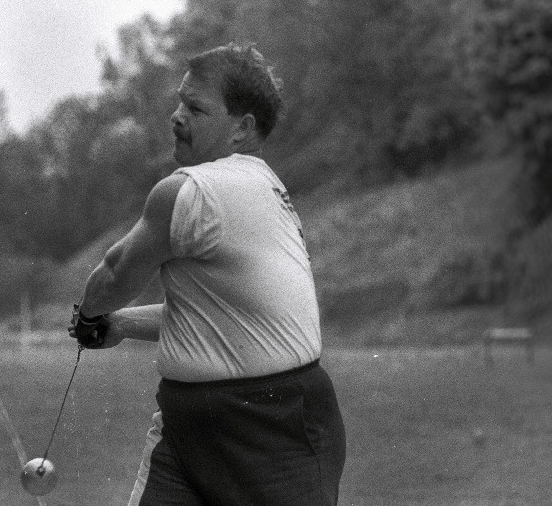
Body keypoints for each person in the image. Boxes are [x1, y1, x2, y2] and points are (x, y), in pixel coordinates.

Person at [69, 42, 346, 506]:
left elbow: (114, 275)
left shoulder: (194, 191)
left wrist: (90, 313)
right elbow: (221, 320)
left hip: (273, 437)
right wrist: (116, 326)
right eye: (179, 101)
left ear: (242, 128)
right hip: (188, 428)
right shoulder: (264, 187)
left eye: (195, 108)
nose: (177, 116)